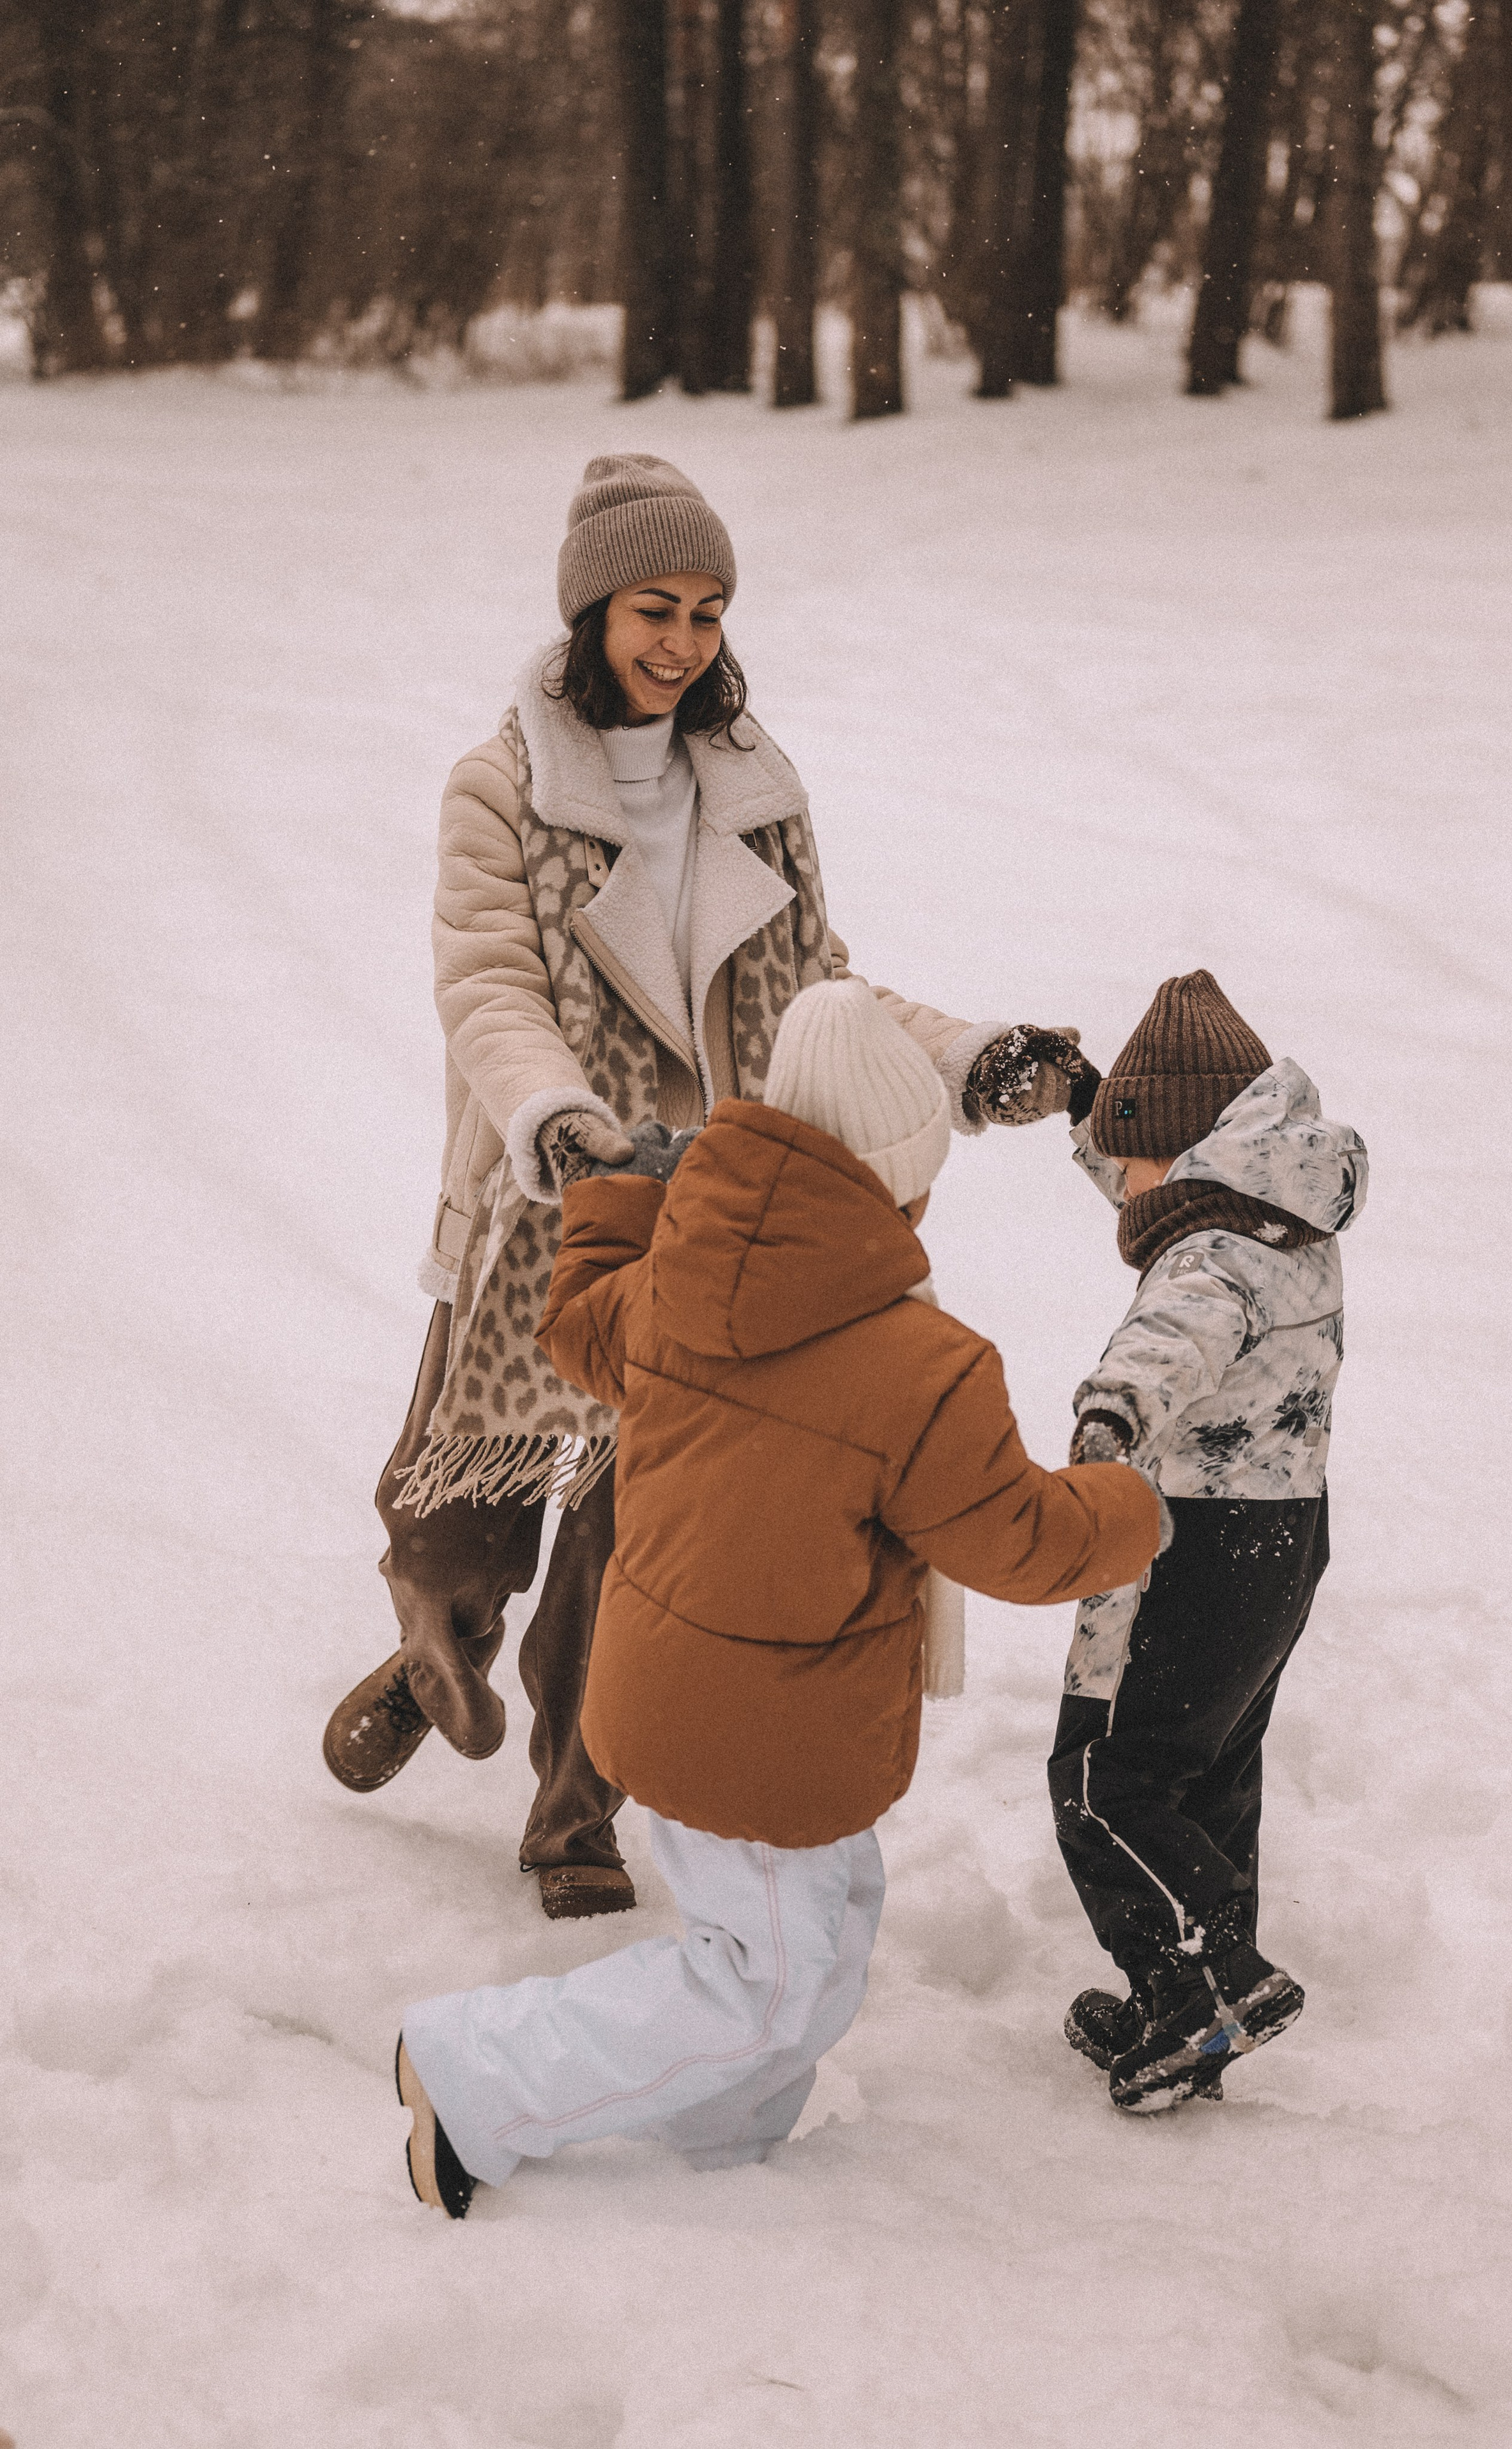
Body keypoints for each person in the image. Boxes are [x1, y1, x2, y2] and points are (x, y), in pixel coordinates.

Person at [320, 452, 1092, 1918]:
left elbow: (821, 989)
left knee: (632, 1531)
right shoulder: (500, 786)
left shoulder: (753, 787)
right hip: (550, 1196)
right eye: (652, 610)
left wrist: (976, 1057)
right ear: (591, 615)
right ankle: (440, 1643)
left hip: (709, 1220)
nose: (682, 643)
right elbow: (486, 984)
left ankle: (571, 1820)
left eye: (707, 611)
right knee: (469, 1503)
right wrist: (559, 1120)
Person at [395, 979, 1163, 2213]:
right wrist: (1137, 1499)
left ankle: (720, 2160)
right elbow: (1016, 1536)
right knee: (768, 1985)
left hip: (677, 1699)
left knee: (815, 1947)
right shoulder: (922, 1366)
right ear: (896, 1177)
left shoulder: (678, 1280)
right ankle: (475, 2070)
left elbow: (580, 1327)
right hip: (768, 1736)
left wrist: (617, 1192)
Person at [1046, 971, 1368, 2113]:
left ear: (1184, 1152)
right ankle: (1187, 2009)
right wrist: (1091, 1109)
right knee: (1208, 1772)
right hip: (1283, 1540)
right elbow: (1159, 1173)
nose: (1121, 1189)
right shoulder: (1285, 1214)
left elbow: (1175, 1333)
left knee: (1104, 1778)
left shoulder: (1210, 1257)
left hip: (1192, 1538)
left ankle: (1210, 1985)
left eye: (1128, 1161)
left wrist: (1108, 1420)